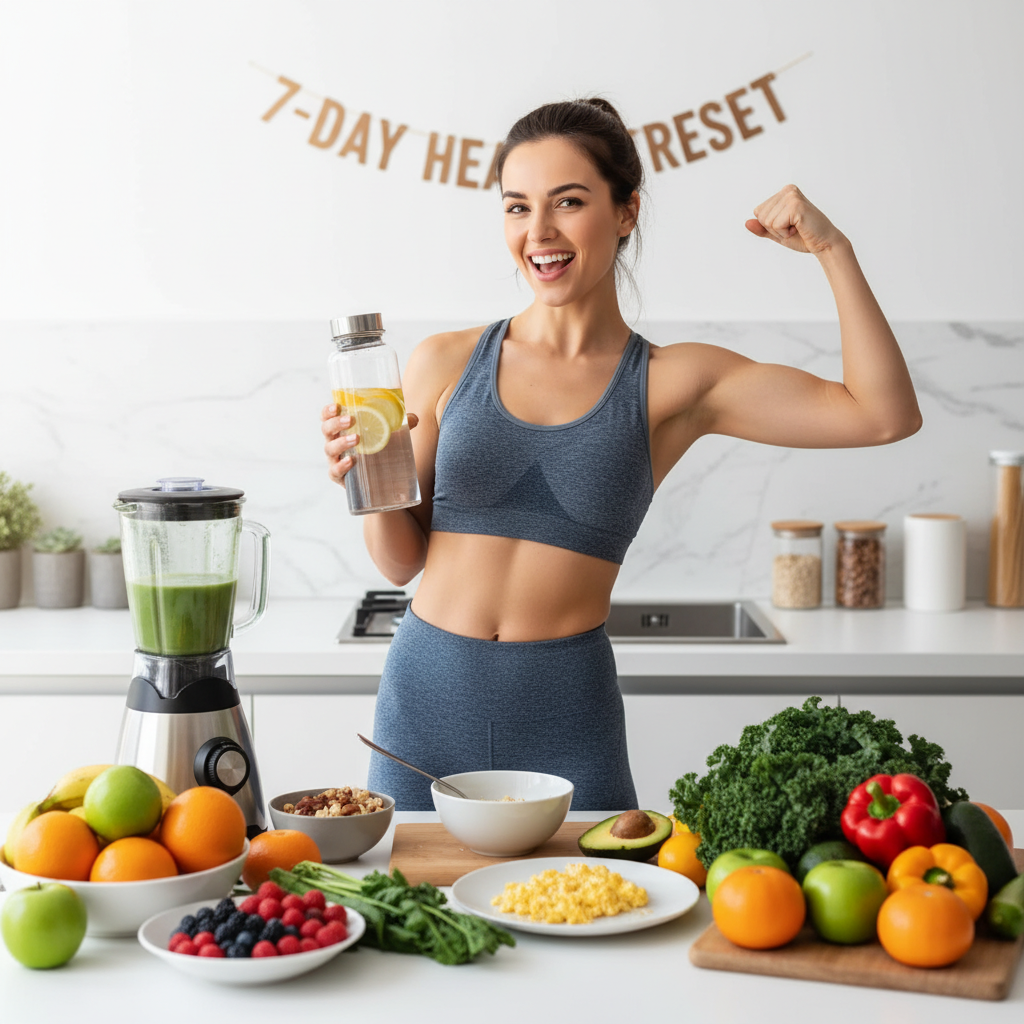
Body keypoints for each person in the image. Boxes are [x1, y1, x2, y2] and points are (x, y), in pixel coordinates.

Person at [320, 98, 921, 811]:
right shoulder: (444, 361)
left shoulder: (673, 383)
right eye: (517, 208)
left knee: (596, 915)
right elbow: (399, 561)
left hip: (565, 716)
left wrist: (833, 250)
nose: (538, 232)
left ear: (626, 211)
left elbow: (882, 415)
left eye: (567, 202)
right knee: (410, 916)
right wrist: (364, 478)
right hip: (425, 702)